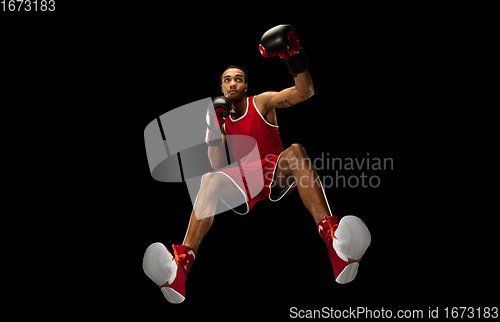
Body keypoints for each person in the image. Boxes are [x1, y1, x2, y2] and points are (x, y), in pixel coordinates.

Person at [143, 25, 371, 304]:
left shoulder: (261, 102)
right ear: (221, 87)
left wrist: (294, 56)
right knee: (209, 180)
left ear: (246, 85)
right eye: (227, 80)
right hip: (242, 180)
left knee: (297, 150)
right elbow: (216, 165)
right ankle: (181, 265)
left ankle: (334, 242)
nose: (232, 84)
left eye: (238, 79)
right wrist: (215, 130)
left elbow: (305, 92)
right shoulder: (218, 119)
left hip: (275, 170)